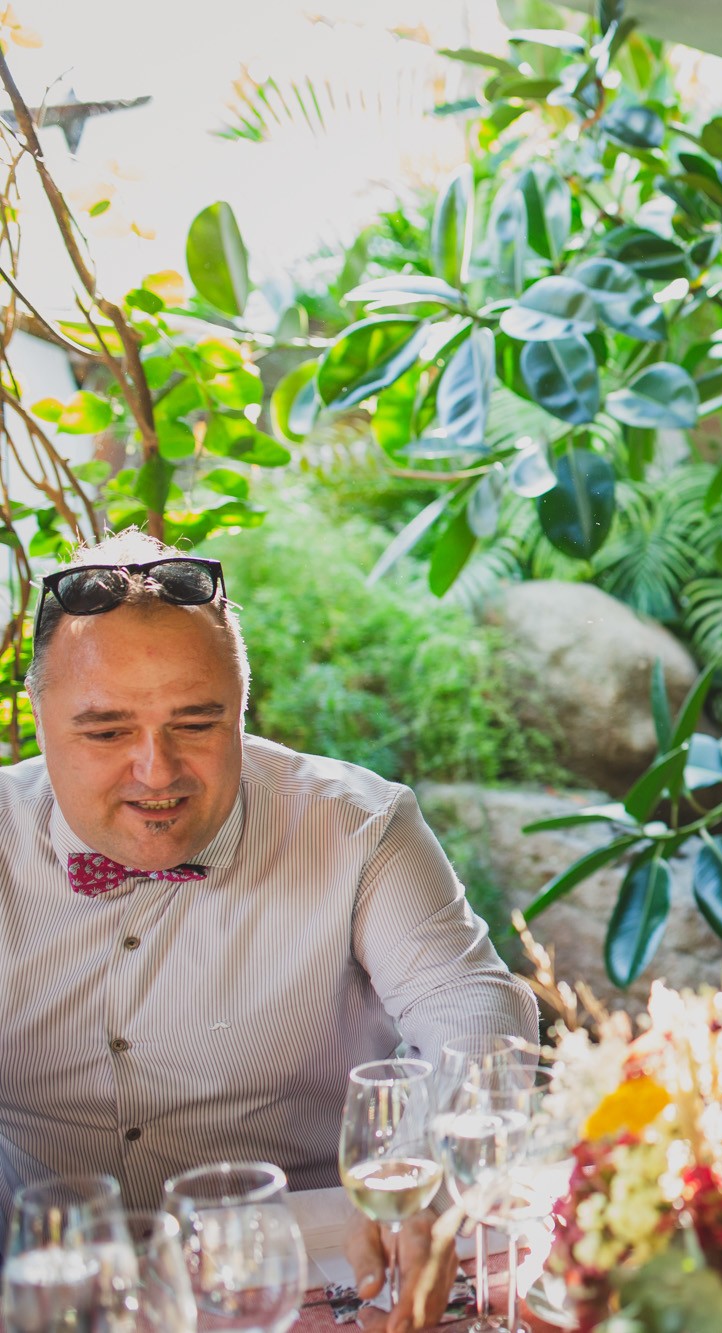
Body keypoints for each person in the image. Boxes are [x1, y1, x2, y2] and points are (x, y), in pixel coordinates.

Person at [0, 532, 536, 1326]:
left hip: (327, 1269)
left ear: (242, 710)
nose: (158, 770)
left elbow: (474, 1008)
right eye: (108, 730)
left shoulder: (359, 826)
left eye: (197, 722)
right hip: (57, 1280)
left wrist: (423, 1170)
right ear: (38, 719)